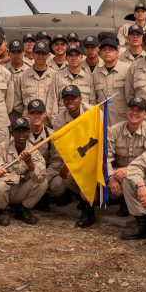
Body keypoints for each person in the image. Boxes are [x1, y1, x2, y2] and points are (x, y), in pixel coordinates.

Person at [107, 97, 146, 215]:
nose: (134, 113)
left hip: (142, 173)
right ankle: (90, 210)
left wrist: (129, 170)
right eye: (132, 109)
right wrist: (111, 178)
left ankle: (141, 215)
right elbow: (105, 157)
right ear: (126, 111)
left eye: (139, 111)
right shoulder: (114, 130)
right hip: (117, 172)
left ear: (145, 114)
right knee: (97, 173)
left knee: (130, 179)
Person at [0, 117, 47, 226]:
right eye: (17, 130)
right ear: (11, 133)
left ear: (29, 133)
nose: (21, 134)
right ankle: (3, 210)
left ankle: (22, 210)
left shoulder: (33, 150)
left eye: (24, 130)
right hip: (6, 188)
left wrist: (30, 163)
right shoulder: (2, 148)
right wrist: (20, 178)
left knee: (43, 182)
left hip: (20, 190)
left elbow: (40, 175)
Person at [50, 86, 94, 227]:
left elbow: (97, 140)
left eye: (73, 98)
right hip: (73, 158)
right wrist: (68, 164)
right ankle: (82, 200)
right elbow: (61, 147)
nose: (70, 101)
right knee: (66, 177)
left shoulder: (92, 112)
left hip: (93, 155)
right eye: (66, 98)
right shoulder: (59, 120)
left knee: (88, 174)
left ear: (80, 99)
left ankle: (89, 209)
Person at [14, 42, 57, 119]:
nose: (40, 56)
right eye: (37, 53)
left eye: (43, 53)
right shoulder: (22, 76)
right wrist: (29, 113)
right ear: (33, 54)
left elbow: (60, 100)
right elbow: (17, 103)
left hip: (49, 121)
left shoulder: (55, 76)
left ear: (48, 56)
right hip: (29, 121)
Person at [92, 37, 130, 125]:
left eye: (111, 49)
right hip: (102, 122)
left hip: (122, 121)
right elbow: (94, 100)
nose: (107, 52)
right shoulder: (96, 73)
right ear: (100, 54)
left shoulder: (128, 69)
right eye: (104, 50)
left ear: (117, 53)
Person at [50, 44, 95, 113]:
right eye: (71, 55)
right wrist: (55, 122)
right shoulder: (57, 77)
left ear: (81, 57)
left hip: (83, 120)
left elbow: (92, 103)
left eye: (77, 55)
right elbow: (52, 102)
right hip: (63, 122)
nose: (74, 58)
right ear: (66, 58)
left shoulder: (88, 78)